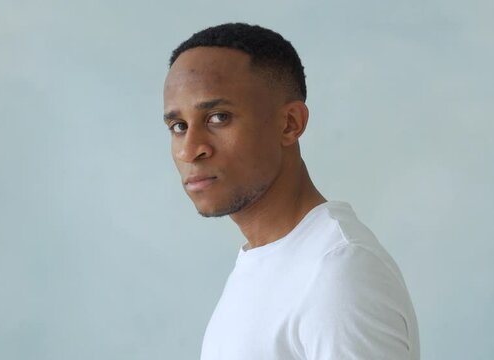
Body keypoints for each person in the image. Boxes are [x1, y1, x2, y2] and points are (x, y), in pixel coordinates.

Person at [163, 23, 419, 360]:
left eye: (218, 117)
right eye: (178, 126)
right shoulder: (267, 262)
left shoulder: (338, 273)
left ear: (290, 124)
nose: (189, 149)